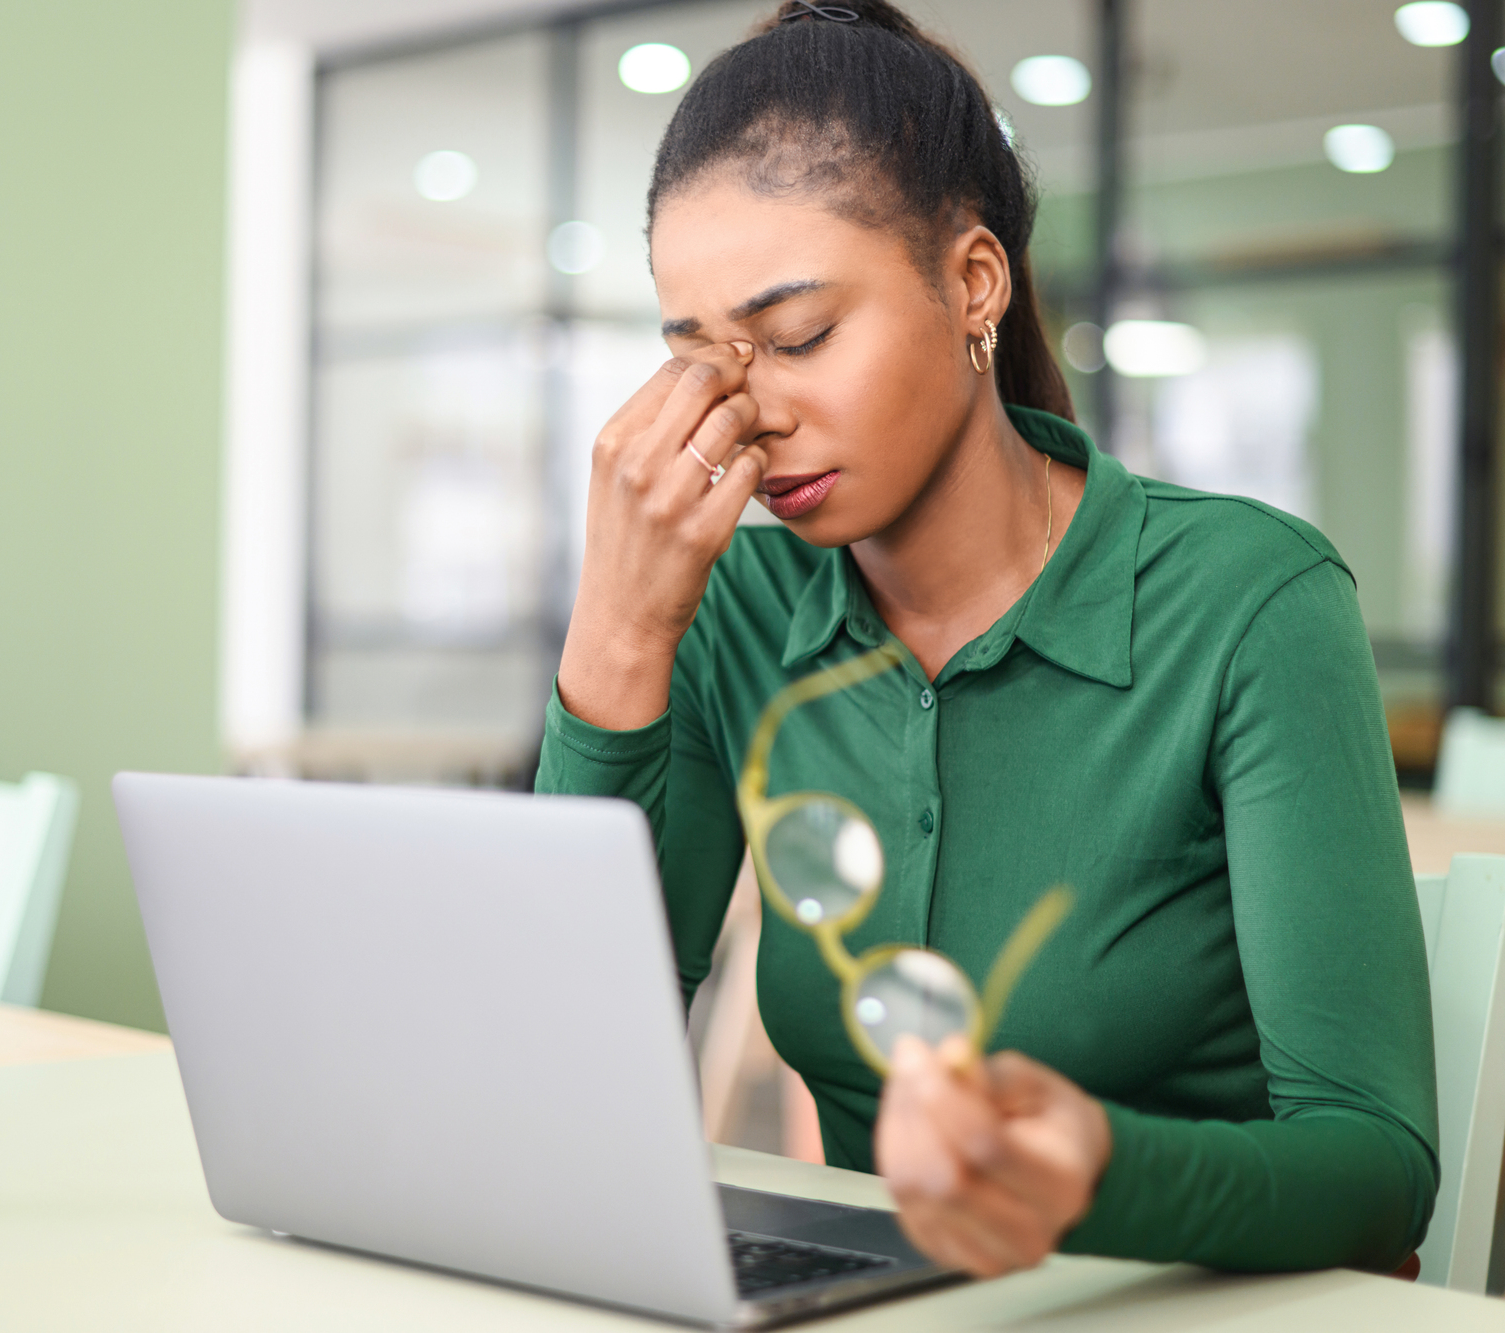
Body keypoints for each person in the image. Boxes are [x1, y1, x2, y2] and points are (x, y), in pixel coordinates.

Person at [535, 0, 1437, 1280]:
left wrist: (1097, 1173)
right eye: (700, 356)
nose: (752, 411)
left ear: (973, 282)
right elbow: (558, 1081)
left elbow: (1377, 1166)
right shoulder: (731, 608)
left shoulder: (1248, 599)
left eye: (797, 338)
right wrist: (617, 636)